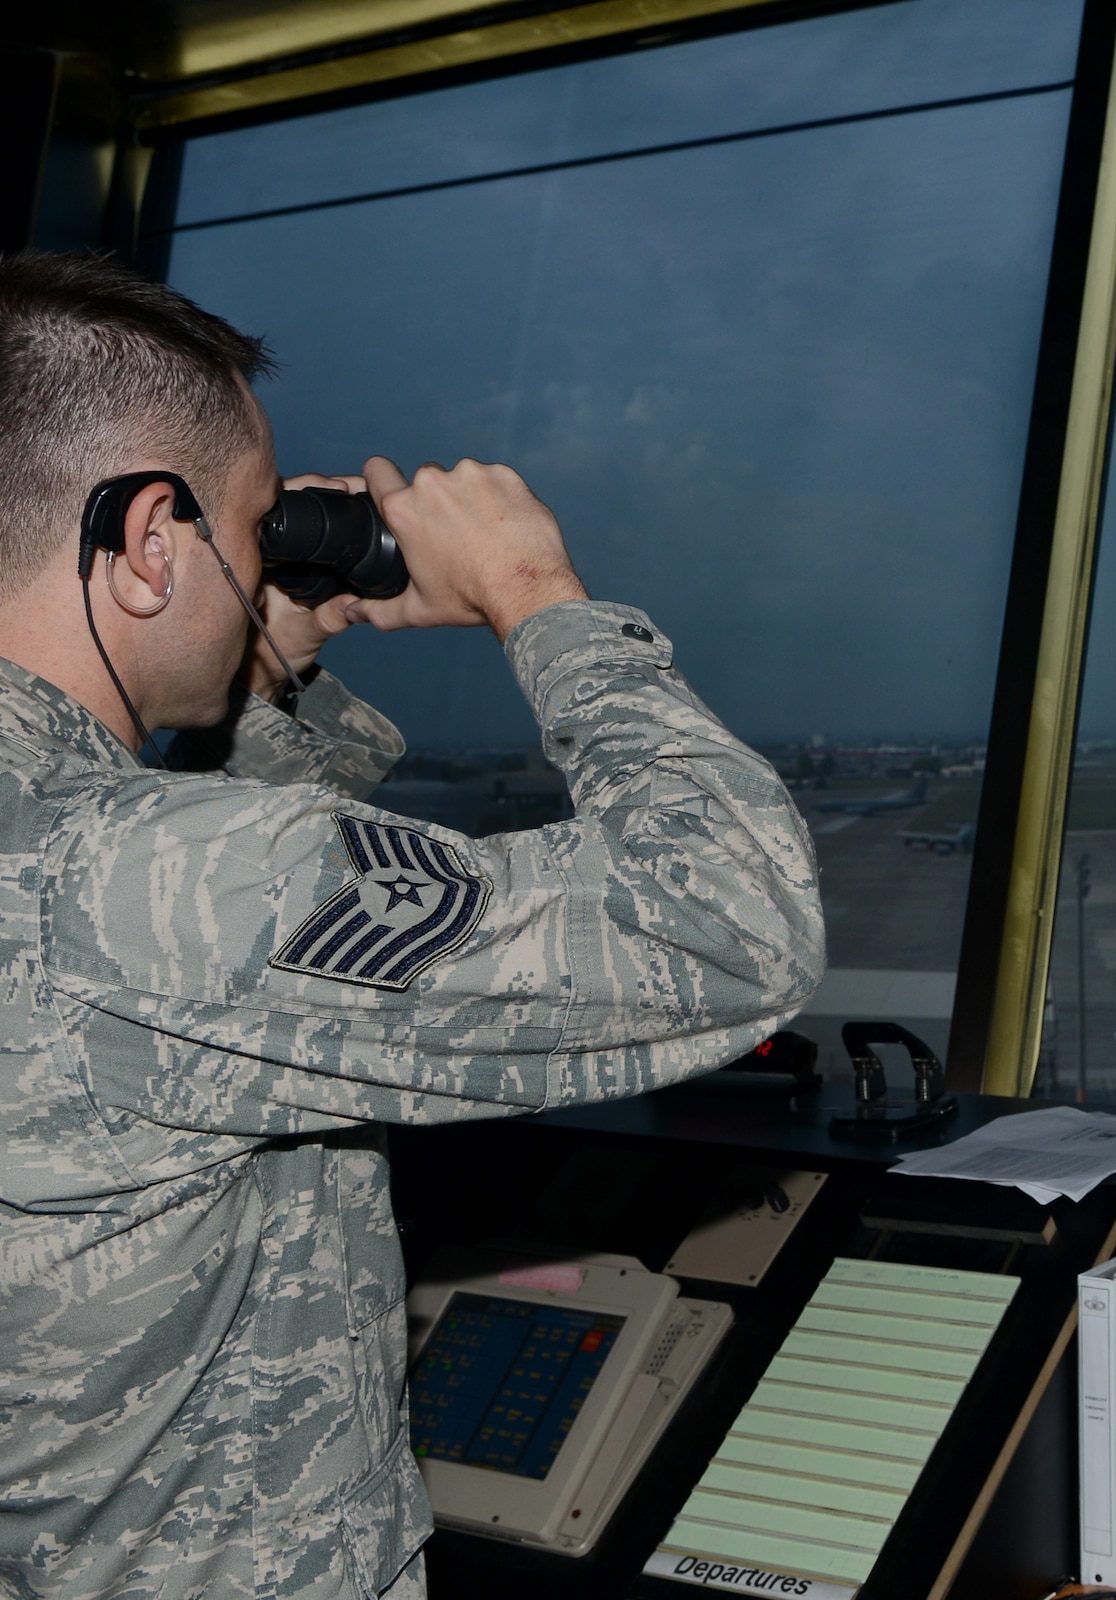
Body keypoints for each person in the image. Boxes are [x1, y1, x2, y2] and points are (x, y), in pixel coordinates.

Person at [0, 252, 824, 1599]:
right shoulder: (125, 879)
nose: (255, 554)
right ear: (151, 541)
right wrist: (538, 596)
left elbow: (209, 991)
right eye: (246, 524)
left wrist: (266, 665)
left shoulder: (94, 867)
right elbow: (733, 925)